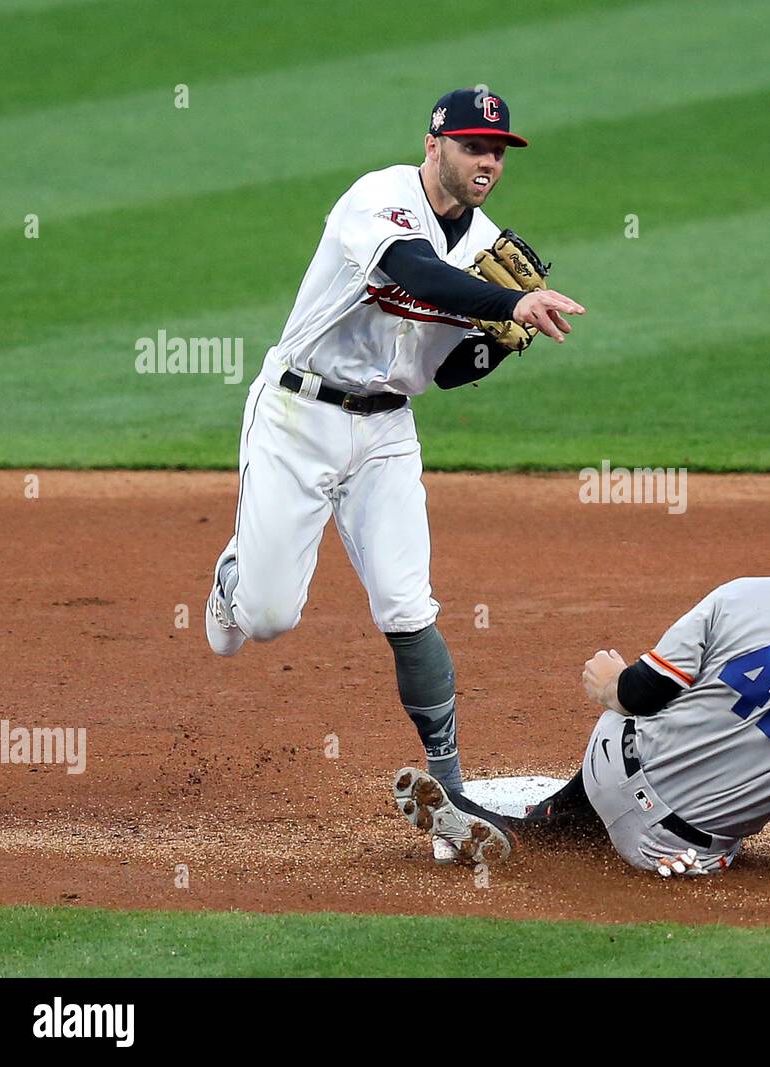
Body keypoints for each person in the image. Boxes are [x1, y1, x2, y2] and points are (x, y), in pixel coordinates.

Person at [206, 88, 584, 806]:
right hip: (298, 414)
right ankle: (234, 576)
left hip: (386, 433)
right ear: (433, 144)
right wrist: (505, 305)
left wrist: (500, 345)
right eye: (474, 146)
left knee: (409, 605)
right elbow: (414, 271)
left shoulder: (487, 248)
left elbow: (443, 371)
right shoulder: (378, 198)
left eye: (498, 151)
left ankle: (452, 791)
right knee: (266, 618)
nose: (488, 162)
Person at [395, 483, 770, 876]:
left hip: (611, 764)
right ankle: (542, 827)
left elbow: (644, 693)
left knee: (629, 718)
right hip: (675, 853)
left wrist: (610, 682)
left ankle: (528, 824)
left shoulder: (747, 593)